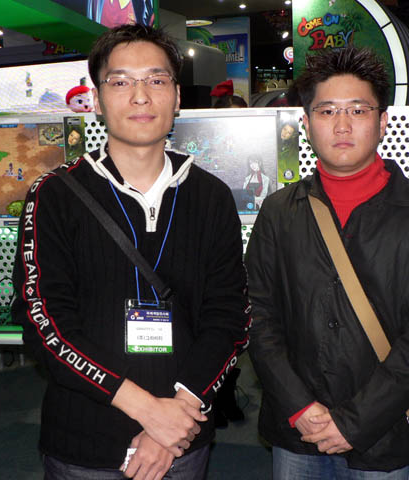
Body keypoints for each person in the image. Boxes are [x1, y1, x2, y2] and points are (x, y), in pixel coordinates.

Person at [12, 24, 249, 480]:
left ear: (176, 97)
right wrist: (148, 410)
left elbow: (230, 316)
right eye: (120, 82)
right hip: (85, 441)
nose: (140, 96)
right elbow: (45, 323)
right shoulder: (54, 195)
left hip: (182, 437)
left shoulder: (211, 197)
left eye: (156, 80)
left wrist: (174, 416)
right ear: (97, 100)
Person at [245, 46, 409, 479]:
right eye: (327, 111)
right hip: (297, 430)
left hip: (381, 433)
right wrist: (300, 407)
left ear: (382, 122)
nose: (342, 125)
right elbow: (258, 316)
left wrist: (354, 421)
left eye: (358, 110)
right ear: (306, 124)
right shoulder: (279, 212)